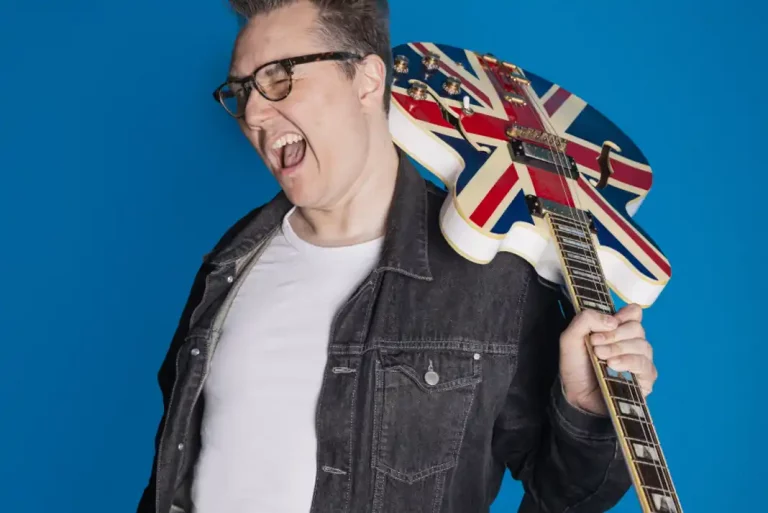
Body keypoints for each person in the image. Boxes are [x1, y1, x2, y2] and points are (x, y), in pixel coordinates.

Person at [136, 0, 659, 512]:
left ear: (365, 81)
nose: (252, 112)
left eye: (279, 78)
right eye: (242, 89)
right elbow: (172, 471)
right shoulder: (232, 261)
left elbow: (565, 496)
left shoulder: (497, 280)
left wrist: (588, 408)